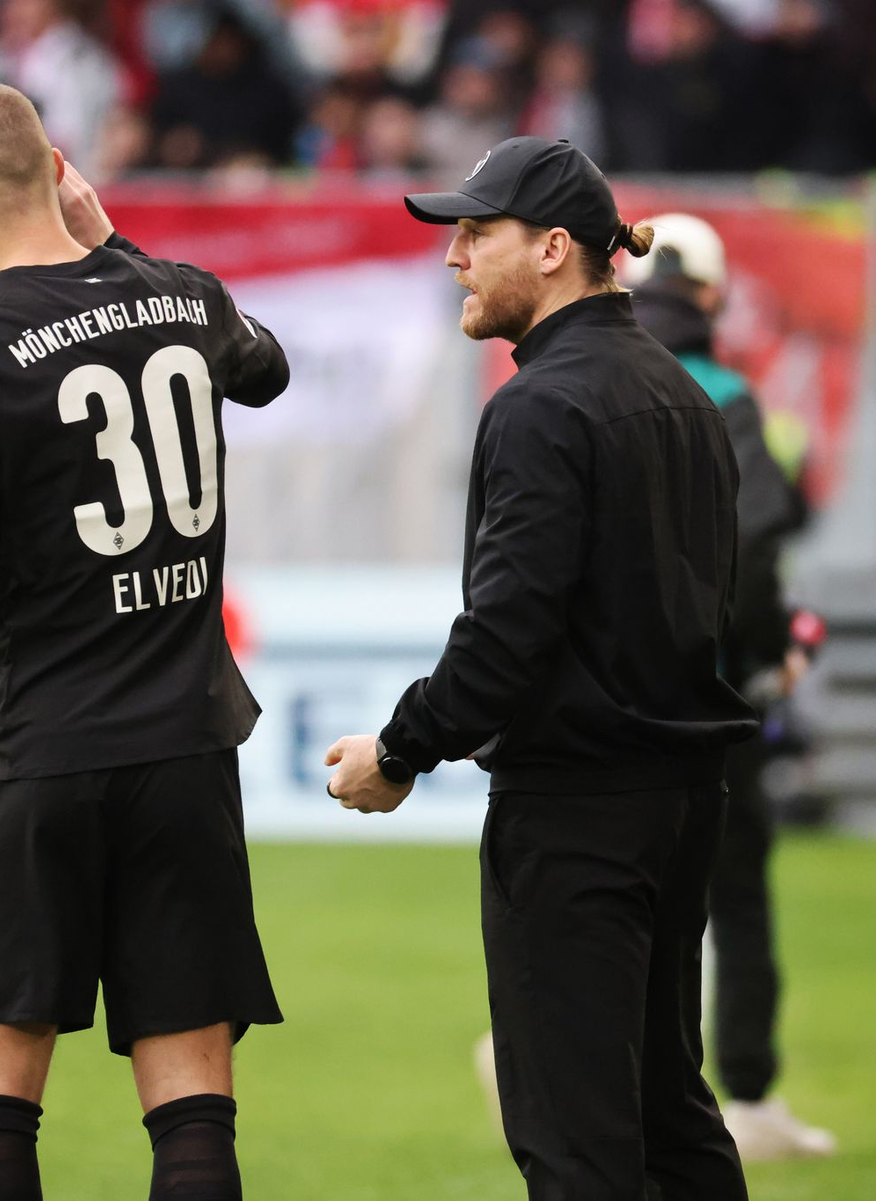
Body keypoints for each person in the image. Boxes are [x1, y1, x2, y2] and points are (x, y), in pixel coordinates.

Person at [0, 81, 288, 1201]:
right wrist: (119, 246)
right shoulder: (183, 298)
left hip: (37, 754)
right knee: (193, 1095)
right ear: (61, 171)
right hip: (187, 752)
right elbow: (268, 367)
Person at [324, 136, 757, 1200]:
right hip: (683, 800)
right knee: (670, 1118)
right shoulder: (685, 396)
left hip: (577, 815)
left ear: (555, 247)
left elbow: (508, 634)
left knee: (577, 1140)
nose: (454, 257)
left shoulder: (541, 407)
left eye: (477, 233)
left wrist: (399, 748)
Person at [628, 213, 836, 1161]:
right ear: (709, 295)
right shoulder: (726, 395)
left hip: (591, 702)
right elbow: (751, 550)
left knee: (605, 895)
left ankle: (553, 1058)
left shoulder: (572, 384)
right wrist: (760, 659)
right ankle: (743, 1095)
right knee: (731, 895)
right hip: (703, 701)